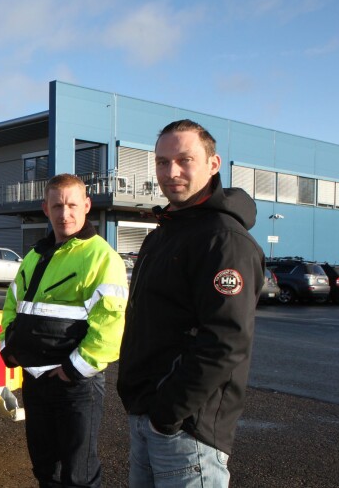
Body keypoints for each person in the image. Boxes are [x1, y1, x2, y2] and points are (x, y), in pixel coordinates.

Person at [117, 119, 264, 487]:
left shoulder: (224, 240)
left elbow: (225, 340)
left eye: (185, 160)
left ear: (213, 164)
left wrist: (167, 412)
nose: (172, 172)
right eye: (163, 162)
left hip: (187, 433)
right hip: (148, 417)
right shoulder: (167, 232)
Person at [0, 173, 128, 487]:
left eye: (72, 204)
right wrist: (9, 348)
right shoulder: (35, 255)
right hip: (35, 379)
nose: (64, 213)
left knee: (78, 475)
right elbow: (12, 305)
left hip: (75, 385)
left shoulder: (101, 257)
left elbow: (110, 324)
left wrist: (73, 369)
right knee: (45, 469)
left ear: (86, 205)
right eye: (57, 205)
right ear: (45, 208)